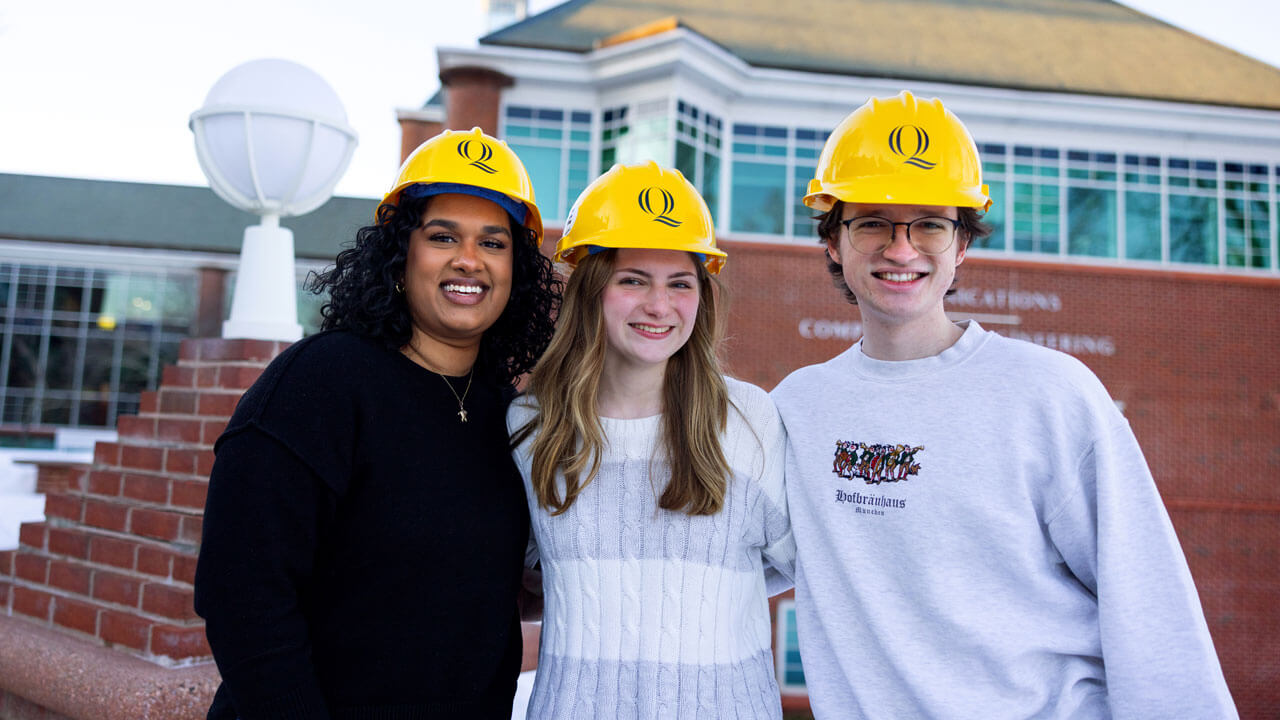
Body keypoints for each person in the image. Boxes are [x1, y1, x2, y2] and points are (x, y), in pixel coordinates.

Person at [770, 90, 1236, 718]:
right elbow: (721, 559)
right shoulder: (799, 409)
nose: (901, 248)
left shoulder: (1051, 395)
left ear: (962, 245)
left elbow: (1148, 603)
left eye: (930, 223)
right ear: (833, 241)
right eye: (872, 221)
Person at [194, 127, 560, 720]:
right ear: (399, 253)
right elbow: (242, 595)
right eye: (443, 236)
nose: (469, 259)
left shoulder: (509, 412)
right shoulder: (319, 384)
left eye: (493, 243)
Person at [508, 162, 796, 719]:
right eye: (633, 279)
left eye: (680, 283)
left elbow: (796, 566)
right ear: (592, 290)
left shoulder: (746, 419)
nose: (659, 306)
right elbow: (522, 578)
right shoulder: (531, 424)